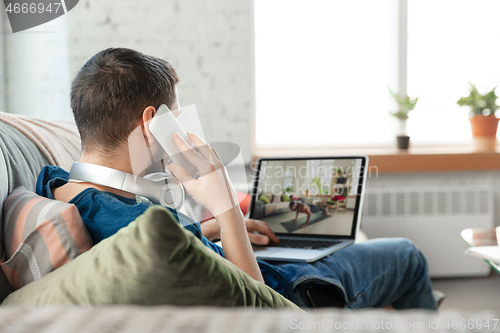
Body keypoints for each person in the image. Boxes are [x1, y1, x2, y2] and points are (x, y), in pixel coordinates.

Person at [36, 48, 438, 310]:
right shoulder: (136, 223)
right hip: (292, 292)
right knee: (407, 255)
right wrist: (225, 206)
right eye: (171, 117)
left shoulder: (59, 185)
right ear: (150, 125)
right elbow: (257, 312)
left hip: (240, 258)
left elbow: (176, 250)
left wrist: (212, 228)